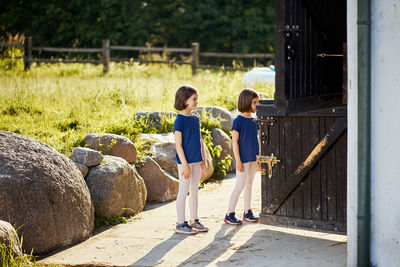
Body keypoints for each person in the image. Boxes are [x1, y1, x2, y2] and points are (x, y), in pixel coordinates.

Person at [173, 85, 208, 234]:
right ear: (184, 100)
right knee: (183, 191)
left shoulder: (195, 119)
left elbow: (199, 140)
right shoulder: (179, 120)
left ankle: (194, 220)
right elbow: (178, 145)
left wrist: (204, 159)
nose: (196, 102)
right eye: (194, 99)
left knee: (194, 191)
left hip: (196, 161)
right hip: (185, 163)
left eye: (196, 99)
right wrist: (185, 165)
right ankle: (181, 223)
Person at [224, 88, 261, 225]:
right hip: (243, 160)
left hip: (253, 158)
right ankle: (230, 213)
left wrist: (259, 158)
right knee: (239, 185)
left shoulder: (254, 120)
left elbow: (257, 139)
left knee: (249, 185)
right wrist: (238, 160)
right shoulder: (238, 121)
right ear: (246, 102)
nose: (257, 105)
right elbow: (234, 142)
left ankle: (247, 211)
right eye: (255, 102)